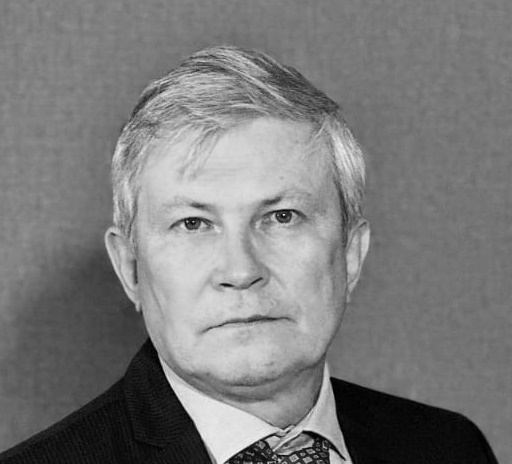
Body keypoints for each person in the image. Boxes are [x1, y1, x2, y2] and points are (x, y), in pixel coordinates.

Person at [0, 45, 498, 464]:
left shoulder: (450, 448)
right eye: (193, 224)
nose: (241, 271)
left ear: (350, 254)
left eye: (281, 217)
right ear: (130, 268)